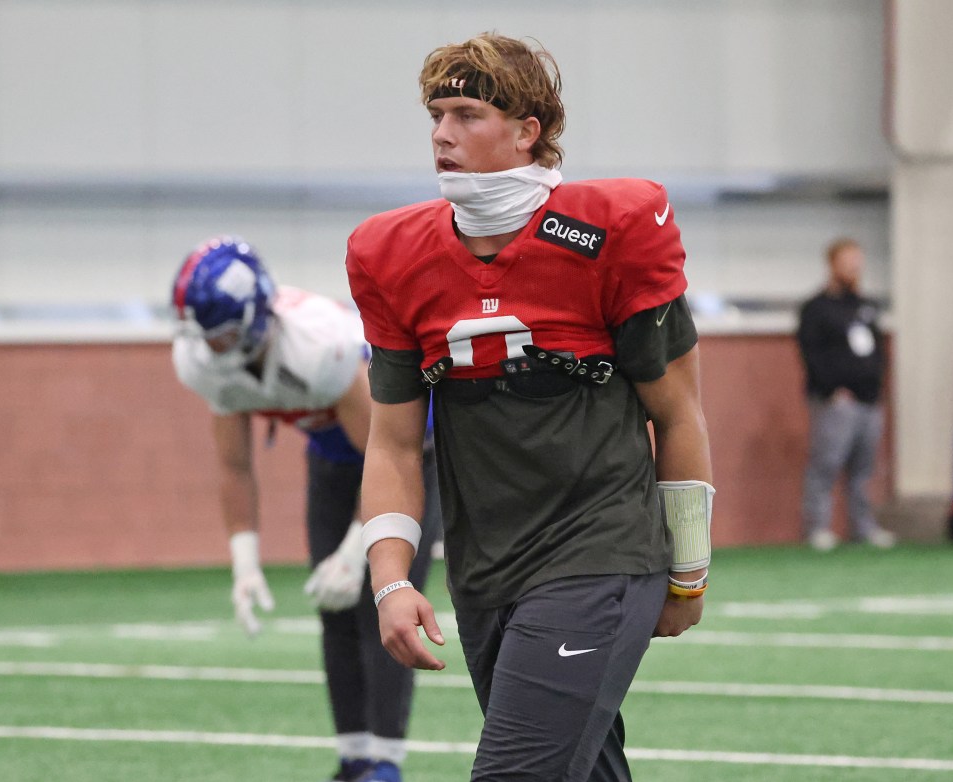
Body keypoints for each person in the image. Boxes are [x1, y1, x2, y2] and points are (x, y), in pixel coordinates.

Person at [345, 34, 714, 782]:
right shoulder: (392, 253)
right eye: (436, 114)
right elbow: (389, 444)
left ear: (527, 131)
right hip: (486, 571)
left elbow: (676, 414)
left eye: (467, 113)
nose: (443, 134)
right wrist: (390, 580)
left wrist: (689, 573)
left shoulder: (609, 232)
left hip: (600, 555)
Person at [171, 235, 441, 782]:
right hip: (335, 458)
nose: (212, 349)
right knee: (334, 611)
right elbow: (235, 467)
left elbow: (384, 456)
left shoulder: (320, 345)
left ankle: (385, 764)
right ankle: (354, 757)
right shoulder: (206, 361)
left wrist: (353, 552)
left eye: (222, 335)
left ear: (252, 317)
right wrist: (244, 564)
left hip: (406, 454)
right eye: (205, 336)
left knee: (385, 609)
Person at [797, 237, 896, 551]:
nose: (855, 267)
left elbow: (877, 350)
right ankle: (818, 528)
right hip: (836, 402)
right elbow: (811, 353)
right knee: (826, 463)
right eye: (848, 260)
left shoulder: (864, 306)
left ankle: (863, 527)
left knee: (864, 469)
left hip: (870, 400)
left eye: (858, 260)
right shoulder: (817, 308)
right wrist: (832, 390)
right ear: (833, 263)